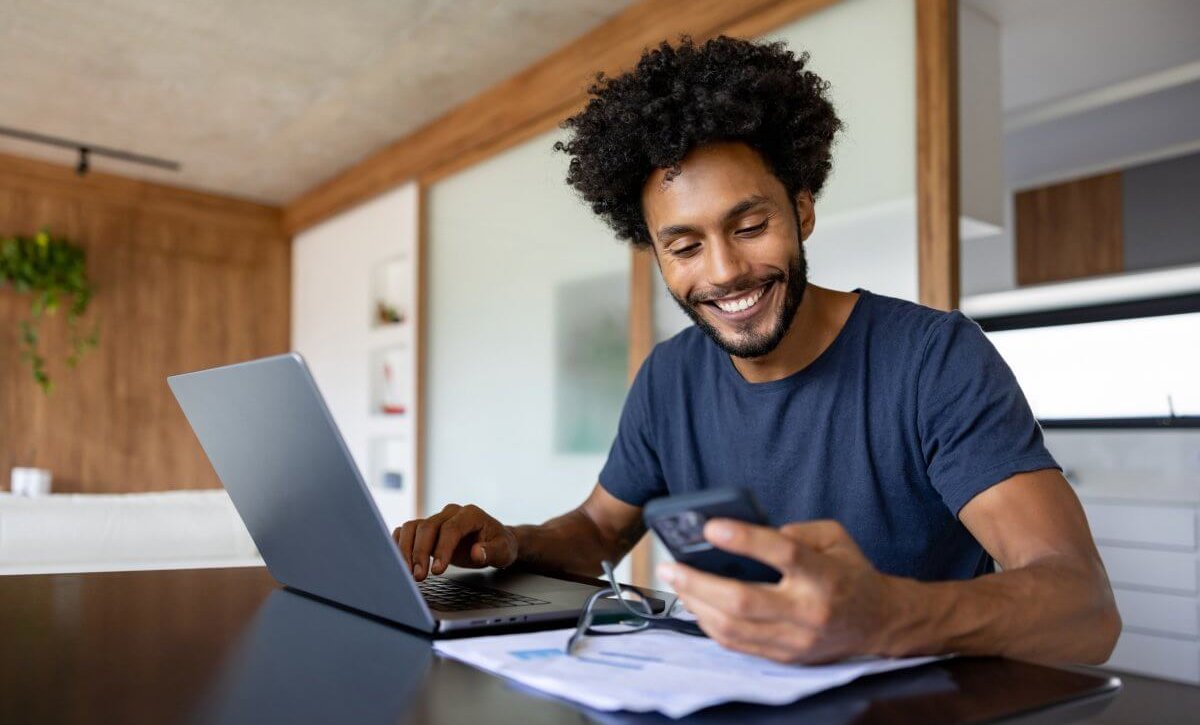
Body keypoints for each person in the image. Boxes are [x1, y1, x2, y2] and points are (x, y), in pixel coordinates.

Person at [394, 36, 1119, 665]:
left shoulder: (934, 358)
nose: (724, 272)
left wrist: (887, 614)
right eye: (684, 245)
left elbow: (1083, 605)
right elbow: (596, 533)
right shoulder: (669, 379)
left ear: (801, 209)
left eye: (748, 225)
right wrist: (510, 543)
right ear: (656, 255)